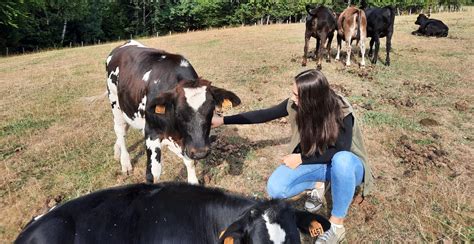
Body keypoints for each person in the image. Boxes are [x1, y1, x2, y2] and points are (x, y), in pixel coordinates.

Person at [212, 69, 374, 243]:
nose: (293, 98)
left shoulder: (341, 110)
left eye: (297, 95)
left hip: (348, 168)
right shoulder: (295, 104)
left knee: (341, 161)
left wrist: (301, 159)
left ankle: (336, 226)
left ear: (313, 98)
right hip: (320, 162)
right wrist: (223, 120)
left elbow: (341, 150)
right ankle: (319, 184)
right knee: (276, 187)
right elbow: (264, 114)